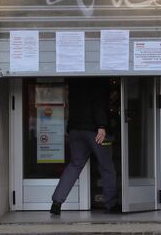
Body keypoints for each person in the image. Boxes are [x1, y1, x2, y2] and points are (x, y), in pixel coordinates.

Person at [50, 78, 120, 215]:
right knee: (106, 167)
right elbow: (99, 103)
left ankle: (56, 202)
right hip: (95, 131)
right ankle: (111, 204)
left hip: (75, 130)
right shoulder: (97, 80)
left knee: (75, 165)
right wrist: (102, 125)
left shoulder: (74, 81)